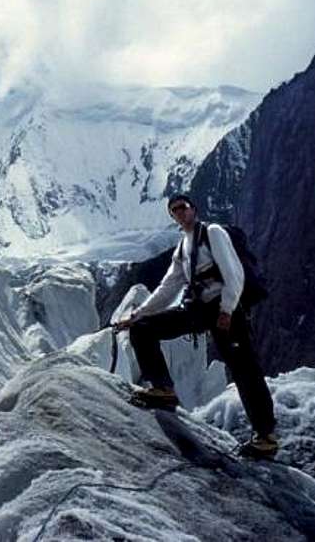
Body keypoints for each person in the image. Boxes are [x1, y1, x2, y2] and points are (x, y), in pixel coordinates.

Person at [114, 193, 278, 458]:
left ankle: (265, 437)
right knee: (143, 328)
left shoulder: (212, 233)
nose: (180, 213)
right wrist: (138, 314)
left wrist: (226, 310)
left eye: (183, 207)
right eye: (174, 210)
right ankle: (163, 389)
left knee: (245, 370)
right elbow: (169, 287)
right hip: (200, 311)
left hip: (226, 311)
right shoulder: (183, 247)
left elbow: (233, 273)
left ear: (194, 210)